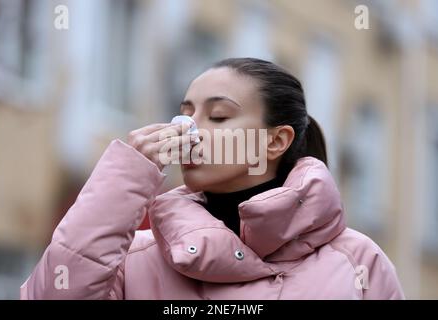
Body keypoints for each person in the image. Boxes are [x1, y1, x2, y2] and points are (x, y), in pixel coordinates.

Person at [20, 57, 405, 299]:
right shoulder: (131, 259)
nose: (187, 129)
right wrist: (123, 180)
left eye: (218, 116)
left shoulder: (358, 263)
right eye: (185, 112)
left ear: (276, 141)